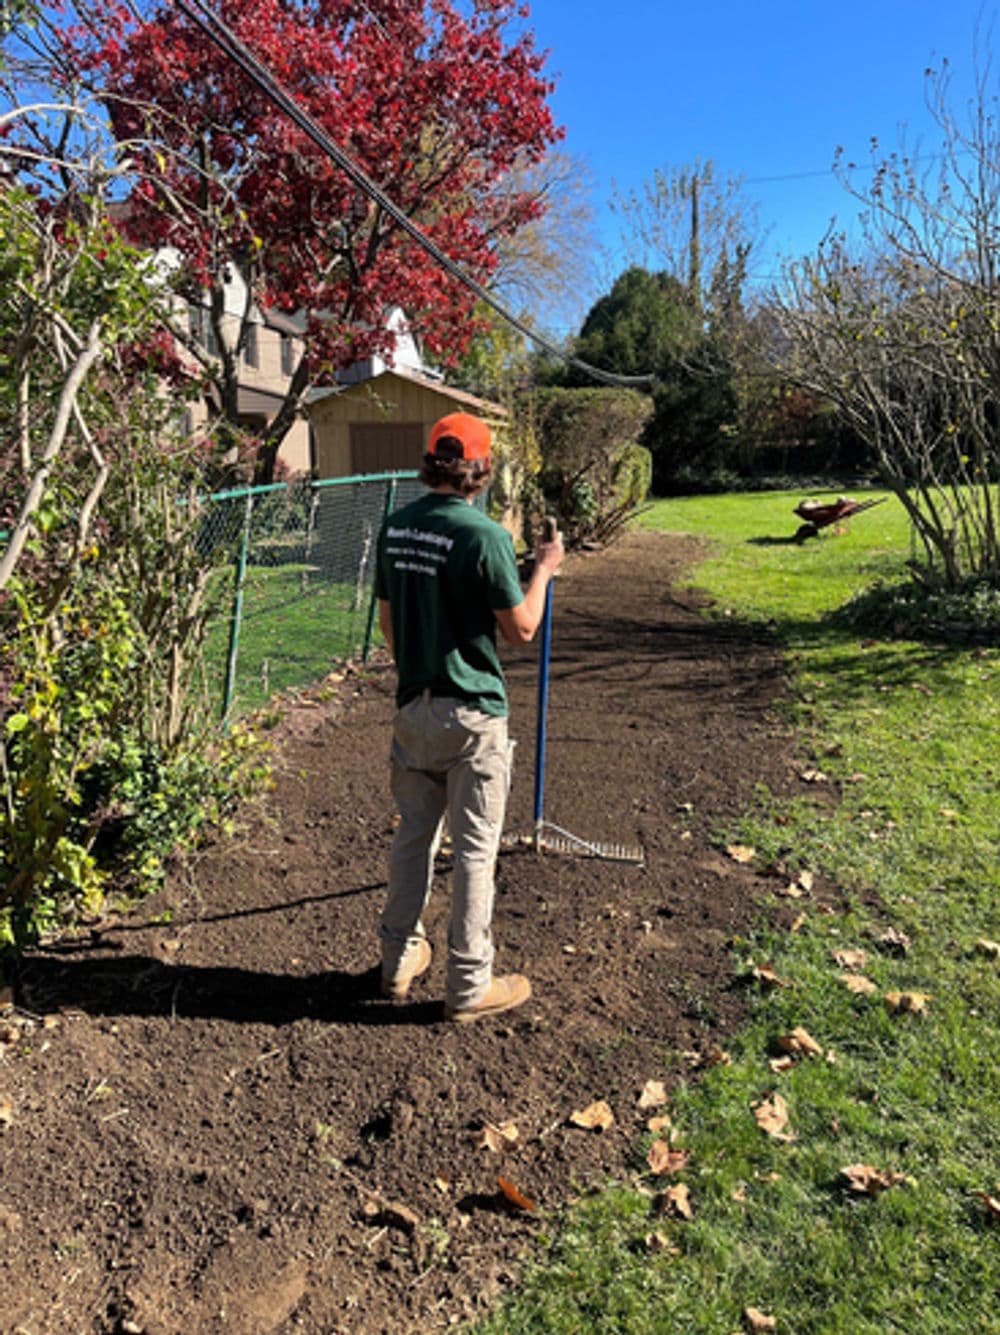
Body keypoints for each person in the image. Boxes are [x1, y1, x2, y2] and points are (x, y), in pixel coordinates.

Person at [374, 411, 564, 1022]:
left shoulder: (396, 528)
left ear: (432, 461)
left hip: (413, 709)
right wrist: (545, 569)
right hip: (472, 715)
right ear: (481, 469)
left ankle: (398, 960)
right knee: (475, 852)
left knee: (413, 838)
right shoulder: (483, 537)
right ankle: (468, 985)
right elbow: (522, 630)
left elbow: (386, 622)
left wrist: (419, 671)